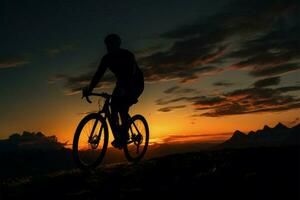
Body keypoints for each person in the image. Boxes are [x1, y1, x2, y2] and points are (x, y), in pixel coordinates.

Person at [83, 34, 144, 149]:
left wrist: (126, 91)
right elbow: (98, 75)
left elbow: (132, 73)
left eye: (111, 44)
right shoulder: (106, 59)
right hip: (121, 83)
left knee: (123, 106)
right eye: (107, 45)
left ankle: (124, 135)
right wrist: (89, 89)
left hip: (135, 83)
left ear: (117, 45)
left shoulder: (128, 55)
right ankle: (119, 135)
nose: (109, 47)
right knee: (113, 106)